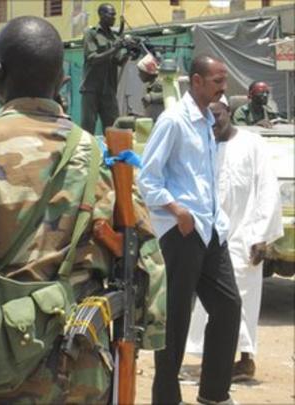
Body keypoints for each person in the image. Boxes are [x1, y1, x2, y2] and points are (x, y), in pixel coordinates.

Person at [0, 15, 167, 404]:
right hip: (81, 369)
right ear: (62, 82)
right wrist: (140, 336)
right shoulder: (103, 158)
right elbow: (145, 260)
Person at [137, 55, 241, 405]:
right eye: (217, 81)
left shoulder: (207, 120)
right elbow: (147, 179)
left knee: (228, 308)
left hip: (211, 231)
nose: (223, 88)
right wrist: (177, 210)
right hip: (182, 233)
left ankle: (214, 394)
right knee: (176, 320)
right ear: (196, 81)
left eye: (224, 81)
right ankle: (166, 398)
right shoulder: (173, 121)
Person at [186, 101, 283, 382]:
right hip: (213, 237)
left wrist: (262, 235)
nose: (213, 122)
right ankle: (216, 360)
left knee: (244, 300)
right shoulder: (204, 146)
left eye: (216, 115)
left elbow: (267, 189)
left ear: (228, 112)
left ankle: (243, 361)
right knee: (210, 302)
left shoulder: (252, 144)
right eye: (208, 118)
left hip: (246, 236)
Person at [80, 3, 128, 134]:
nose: (114, 18)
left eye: (114, 15)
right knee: (88, 127)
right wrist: (115, 49)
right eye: (111, 14)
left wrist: (129, 53)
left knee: (113, 128)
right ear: (101, 15)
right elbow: (92, 58)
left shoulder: (114, 36)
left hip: (109, 90)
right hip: (91, 89)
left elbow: (118, 61)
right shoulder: (91, 33)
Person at [137, 53, 164, 121]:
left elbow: (168, 95)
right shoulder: (152, 84)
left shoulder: (158, 84)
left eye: (141, 72)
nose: (139, 75)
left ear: (147, 72)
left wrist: (152, 97)